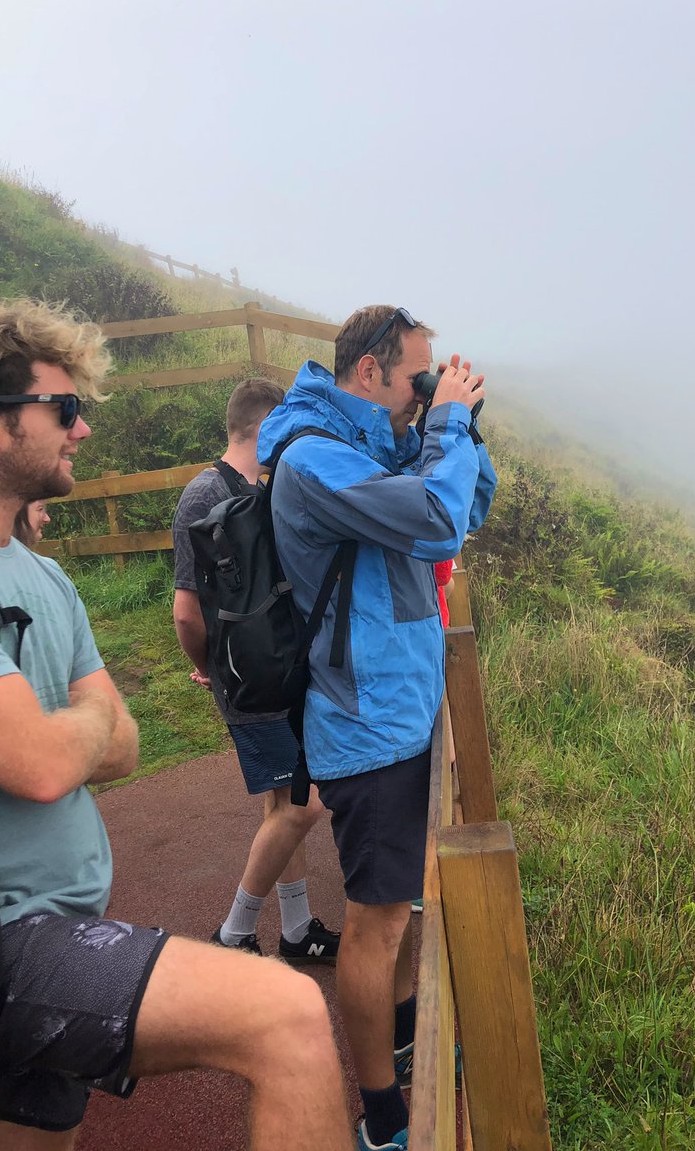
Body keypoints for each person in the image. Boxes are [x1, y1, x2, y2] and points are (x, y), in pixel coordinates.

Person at [0, 300, 353, 1151]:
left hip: (57, 918)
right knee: (287, 1012)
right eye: (64, 409)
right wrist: (78, 726)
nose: (80, 431)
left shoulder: (45, 578)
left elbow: (128, 742)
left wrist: (73, 734)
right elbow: (43, 764)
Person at [257, 305, 497, 1151]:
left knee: (394, 908)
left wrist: (463, 424)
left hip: (400, 708)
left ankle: (401, 1041)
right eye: (413, 376)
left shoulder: (370, 441)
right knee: (376, 923)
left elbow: (471, 506)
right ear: (368, 371)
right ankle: (384, 1117)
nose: (421, 392)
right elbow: (436, 518)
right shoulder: (319, 458)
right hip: (367, 725)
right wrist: (447, 425)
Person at [172, 378, 340, 961]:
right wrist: (213, 671)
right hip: (249, 680)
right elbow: (187, 612)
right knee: (305, 804)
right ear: (266, 425)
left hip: (280, 672)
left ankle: (295, 930)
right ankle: (233, 932)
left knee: (284, 804)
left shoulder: (264, 486)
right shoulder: (202, 496)